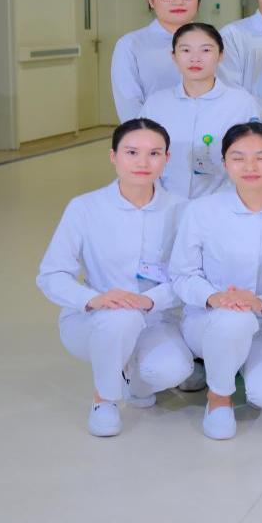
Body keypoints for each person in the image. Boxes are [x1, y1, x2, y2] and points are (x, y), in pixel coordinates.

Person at [35, 119, 193, 437]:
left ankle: (134, 378)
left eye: (154, 153)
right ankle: (104, 399)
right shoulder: (84, 207)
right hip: (95, 320)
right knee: (121, 318)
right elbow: (52, 274)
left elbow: (190, 277)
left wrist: (150, 300)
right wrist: (93, 299)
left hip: (156, 317)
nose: (142, 162)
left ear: (167, 158)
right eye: (131, 152)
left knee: (171, 370)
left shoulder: (184, 211)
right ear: (113, 156)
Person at [167, 123, 262, 439]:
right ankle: (219, 397)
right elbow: (182, 274)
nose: (250, 167)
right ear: (225, 163)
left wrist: (261, 302)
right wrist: (214, 298)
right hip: (212, 321)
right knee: (233, 320)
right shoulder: (202, 210)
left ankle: (236, 366)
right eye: (238, 158)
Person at [140, 23, 261, 199]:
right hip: (164, 202)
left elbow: (256, 157)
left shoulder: (242, 103)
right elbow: (140, 155)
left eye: (206, 50)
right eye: (185, 50)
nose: (195, 58)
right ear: (173, 56)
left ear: (221, 55)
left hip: (224, 203)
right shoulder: (156, 104)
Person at [110, 0, 200, 122]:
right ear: (150, 0)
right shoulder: (130, 45)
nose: (178, 1)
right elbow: (129, 106)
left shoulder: (214, 43)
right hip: (153, 134)